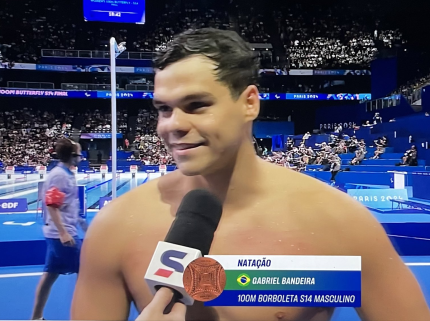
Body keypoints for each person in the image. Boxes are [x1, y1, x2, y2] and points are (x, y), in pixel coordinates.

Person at [71, 28, 430, 321]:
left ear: (249, 103)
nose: (173, 125)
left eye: (197, 105)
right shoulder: (117, 226)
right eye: (164, 109)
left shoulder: (337, 222)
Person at [32, 138, 86, 320]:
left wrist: (81, 223)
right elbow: (52, 205)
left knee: (49, 277)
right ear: (72, 156)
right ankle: (82, 315)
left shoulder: (67, 173)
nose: (82, 157)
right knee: (87, 274)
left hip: (60, 233)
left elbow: (66, 205)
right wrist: (63, 232)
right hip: (61, 236)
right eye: (79, 154)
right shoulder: (59, 175)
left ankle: (36, 317)